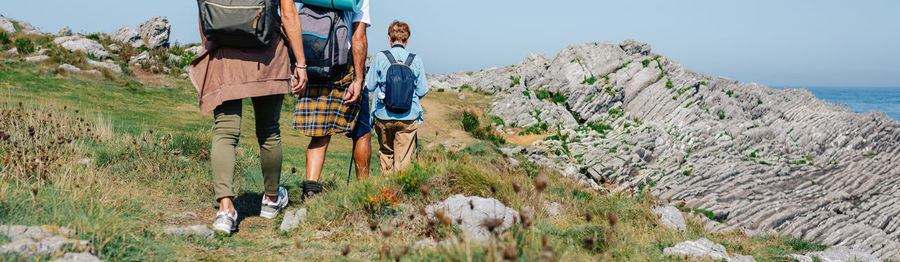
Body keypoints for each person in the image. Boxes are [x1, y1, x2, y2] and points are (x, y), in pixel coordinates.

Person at [189, 0, 308, 234]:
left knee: (224, 131)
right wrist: (301, 63)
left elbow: (203, 11)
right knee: (269, 130)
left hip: (223, 53)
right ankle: (271, 200)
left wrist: (210, 47)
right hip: (268, 54)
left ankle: (225, 209)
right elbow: (288, 13)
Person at [292, 0, 370, 199]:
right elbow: (358, 37)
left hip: (311, 66)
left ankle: (310, 189)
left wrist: (298, 65)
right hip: (342, 69)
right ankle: (363, 190)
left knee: (319, 132)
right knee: (362, 131)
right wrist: (359, 79)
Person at [365, 21, 429, 175]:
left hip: (383, 115)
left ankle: (387, 192)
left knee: (386, 153)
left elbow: (370, 85)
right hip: (408, 116)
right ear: (407, 40)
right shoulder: (416, 60)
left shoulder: (380, 57)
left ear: (389, 38)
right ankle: (400, 191)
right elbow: (422, 90)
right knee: (403, 159)